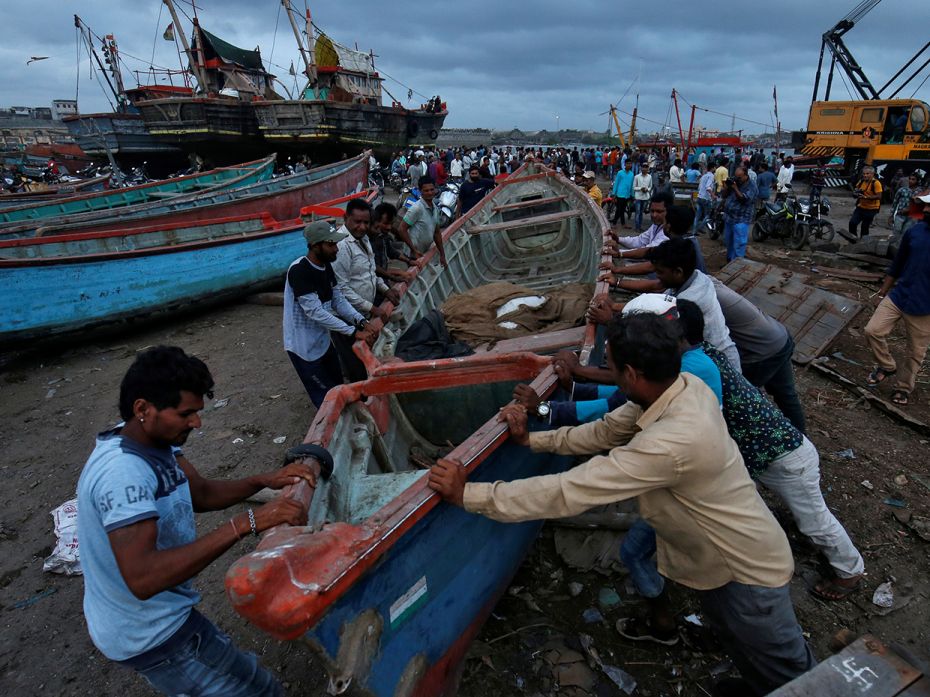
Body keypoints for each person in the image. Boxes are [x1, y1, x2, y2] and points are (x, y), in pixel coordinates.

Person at [428, 313, 815, 696]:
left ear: (631, 374)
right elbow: (606, 430)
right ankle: (758, 684)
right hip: (710, 556)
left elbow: (570, 490)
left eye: (610, 367)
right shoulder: (680, 387)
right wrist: (534, 441)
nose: (607, 373)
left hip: (745, 569)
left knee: (790, 670)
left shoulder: (671, 442)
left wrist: (470, 495)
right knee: (737, 639)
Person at [77, 346, 319, 696]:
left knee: (255, 681)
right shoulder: (123, 474)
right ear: (142, 409)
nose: (197, 423)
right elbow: (143, 577)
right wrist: (248, 521)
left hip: (168, 618)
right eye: (186, 414)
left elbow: (200, 493)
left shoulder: (151, 439)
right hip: (151, 634)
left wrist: (261, 481)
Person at [283, 221, 374, 407]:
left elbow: (338, 300)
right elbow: (315, 312)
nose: (336, 249)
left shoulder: (326, 266)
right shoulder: (299, 270)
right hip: (303, 347)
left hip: (322, 340)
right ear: (316, 246)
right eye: (331, 244)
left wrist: (362, 321)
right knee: (326, 399)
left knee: (338, 385)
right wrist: (353, 331)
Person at [711, 278, 806, 432]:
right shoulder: (710, 282)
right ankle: (802, 438)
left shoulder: (699, 297)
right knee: (786, 395)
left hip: (761, 352)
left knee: (740, 398)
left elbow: (718, 343)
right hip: (779, 337)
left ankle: (755, 438)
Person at [864, 194, 930, 406]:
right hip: (900, 295)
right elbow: (897, 265)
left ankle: (903, 388)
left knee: (915, 352)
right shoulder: (915, 232)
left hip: (924, 305)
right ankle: (887, 365)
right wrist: (883, 292)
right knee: (872, 330)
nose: (926, 210)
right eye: (925, 205)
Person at [646, 238, 741, 370]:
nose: (657, 276)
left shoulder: (689, 300)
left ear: (678, 272)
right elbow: (658, 299)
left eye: (660, 272)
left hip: (719, 367)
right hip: (708, 360)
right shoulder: (696, 276)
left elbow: (657, 329)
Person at [398, 176, 447, 266]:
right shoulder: (416, 208)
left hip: (424, 252)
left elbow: (436, 233)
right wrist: (413, 250)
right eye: (426, 190)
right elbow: (402, 229)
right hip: (413, 255)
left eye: (432, 190)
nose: (430, 193)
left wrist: (442, 254)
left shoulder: (435, 208)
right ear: (420, 191)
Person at [370, 202, 415, 285]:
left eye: (391, 224)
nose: (389, 227)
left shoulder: (384, 236)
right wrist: (395, 275)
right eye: (386, 224)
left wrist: (408, 261)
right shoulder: (369, 240)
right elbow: (372, 267)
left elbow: (391, 251)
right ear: (375, 221)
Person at [722, 166, 758, 261]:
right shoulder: (735, 182)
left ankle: (737, 263)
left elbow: (744, 200)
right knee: (728, 241)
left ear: (746, 175)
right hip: (729, 217)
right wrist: (726, 187)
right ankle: (729, 261)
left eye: (740, 177)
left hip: (741, 219)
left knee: (739, 244)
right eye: (736, 177)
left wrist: (735, 188)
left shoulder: (752, 186)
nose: (738, 179)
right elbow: (724, 195)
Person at [849, 165, 883, 239]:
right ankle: (853, 240)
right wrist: (855, 193)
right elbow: (856, 190)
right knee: (852, 223)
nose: (865, 175)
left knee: (864, 226)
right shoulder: (861, 181)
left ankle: (863, 243)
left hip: (872, 208)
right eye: (864, 174)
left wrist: (866, 197)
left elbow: (879, 196)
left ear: (872, 174)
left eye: (867, 174)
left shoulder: (876, 183)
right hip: (861, 207)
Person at [610, 159, 635, 227]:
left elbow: (632, 185)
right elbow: (616, 183)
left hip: (627, 194)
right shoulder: (620, 173)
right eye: (628, 163)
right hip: (620, 194)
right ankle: (614, 223)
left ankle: (623, 223)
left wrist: (632, 195)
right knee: (619, 209)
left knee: (623, 209)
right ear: (625, 164)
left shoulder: (632, 174)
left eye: (630, 164)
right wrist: (613, 194)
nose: (629, 165)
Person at [632, 163, 654, 231]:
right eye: (643, 167)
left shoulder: (649, 177)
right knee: (637, 212)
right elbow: (634, 187)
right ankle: (637, 227)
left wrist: (647, 189)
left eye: (646, 167)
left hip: (645, 197)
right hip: (638, 197)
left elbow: (650, 187)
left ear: (648, 169)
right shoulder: (637, 177)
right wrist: (641, 188)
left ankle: (640, 226)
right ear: (641, 168)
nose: (644, 169)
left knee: (641, 212)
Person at [695, 164, 716, 232]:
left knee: (697, 216)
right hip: (706, 198)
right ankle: (700, 227)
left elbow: (699, 187)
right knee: (707, 215)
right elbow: (708, 187)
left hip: (699, 197)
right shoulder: (711, 176)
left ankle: (694, 231)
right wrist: (713, 195)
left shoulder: (703, 176)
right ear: (712, 168)